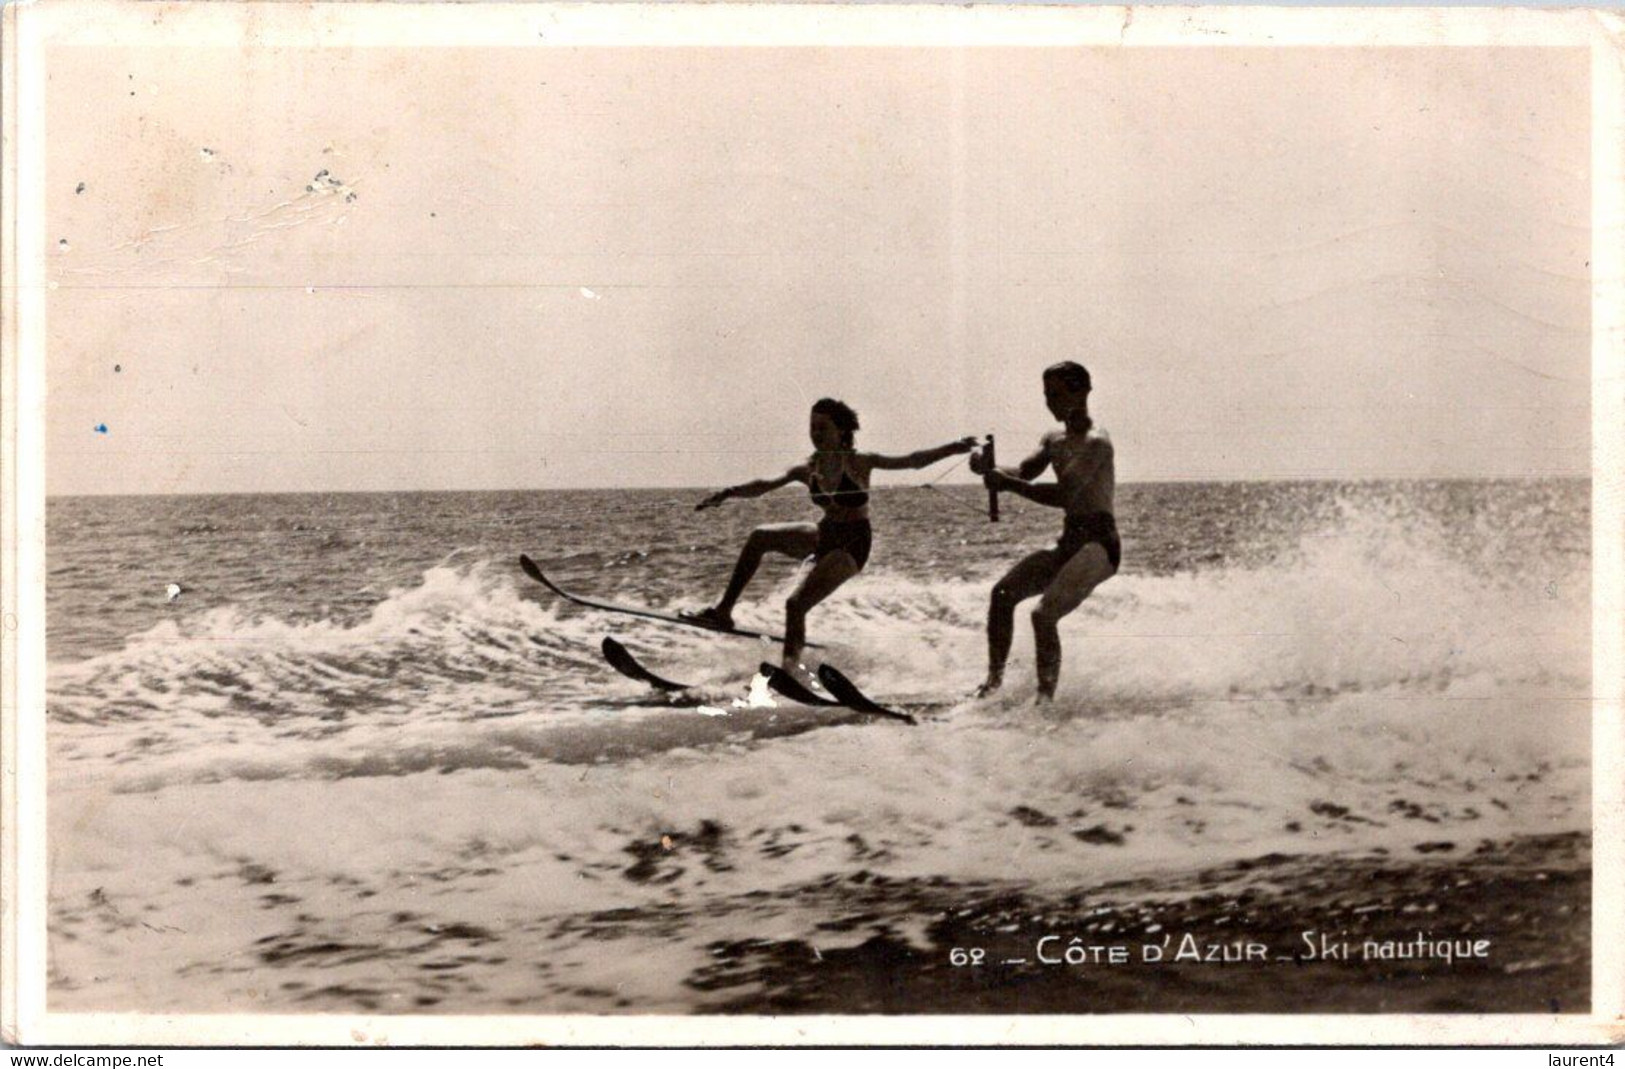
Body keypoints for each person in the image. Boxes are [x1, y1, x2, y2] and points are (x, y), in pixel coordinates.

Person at [685, 398, 977, 670]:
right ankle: (723, 611)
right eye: (812, 427)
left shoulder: (860, 462)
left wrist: (954, 448)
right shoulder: (808, 468)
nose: (816, 433)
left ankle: (790, 672)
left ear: (841, 431)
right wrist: (727, 494)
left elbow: (913, 460)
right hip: (825, 534)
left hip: (853, 545)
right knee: (760, 536)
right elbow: (764, 485)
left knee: (795, 605)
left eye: (823, 427)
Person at [970, 361, 1119, 701]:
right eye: (1046, 395)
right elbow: (1024, 472)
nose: (1050, 403)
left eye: (1057, 394)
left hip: (1100, 545)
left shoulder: (1097, 443)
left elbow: (1065, 494)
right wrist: (989, 469)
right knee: (1003, 595)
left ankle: (1044, 700)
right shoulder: (1053, 439)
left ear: (1082, 393)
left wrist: (1006, 484)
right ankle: (992, 685)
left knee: (1043, 615)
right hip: (1070, 543)